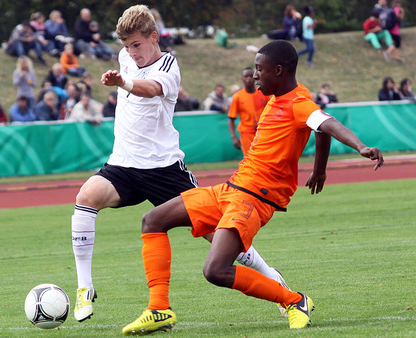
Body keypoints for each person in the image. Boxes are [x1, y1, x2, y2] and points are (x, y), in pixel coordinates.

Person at [122, 40, 384, 335]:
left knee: (215, 271)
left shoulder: (298, 102)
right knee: (153, 219)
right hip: (232, 188)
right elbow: (319, 129)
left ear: (279, 70)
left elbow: (329, 124)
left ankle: (294, 301)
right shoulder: (279, 98)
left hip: (253, 199)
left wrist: (360, 146)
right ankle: (158, 309)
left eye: (259, 70)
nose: (254, 76)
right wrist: (319, 170)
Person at [71, 5, 289, 325]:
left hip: (164, 169)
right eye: (127, 46)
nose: (132, 54)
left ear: (153, 37)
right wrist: (124, 73)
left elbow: (151, 89)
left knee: (219, 237)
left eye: (137, 45)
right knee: (85, 197)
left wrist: (124, 83)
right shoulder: (125, 58)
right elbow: (131, 59)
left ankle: (272, 277)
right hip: (123, 165)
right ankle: (85, 288)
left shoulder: (169, 65)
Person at [228, 67, 270, 158]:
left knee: (264, 158)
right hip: (246, 133)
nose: (249, 78)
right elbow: (231, 118)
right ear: (242, 78)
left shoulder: (263, 94)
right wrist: (234, 137)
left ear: (255, 77)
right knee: (250, 159)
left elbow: (271, 112)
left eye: (251, 76)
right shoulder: (237, 97)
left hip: (262, 131)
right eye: (246, 76)